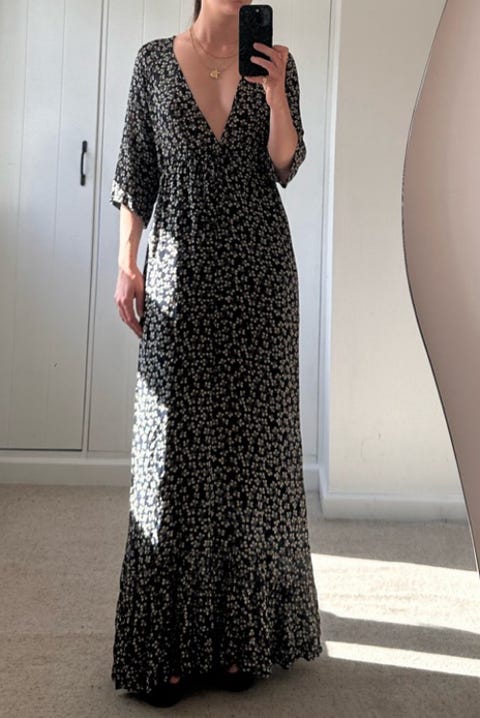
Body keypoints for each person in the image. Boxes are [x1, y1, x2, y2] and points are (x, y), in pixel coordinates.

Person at [110, 0, 322, 707]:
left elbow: (285, 164)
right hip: (177, 274)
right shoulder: (152, 63)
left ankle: (239, 639)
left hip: (260, 279)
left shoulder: (276, 61)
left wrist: (275, 92)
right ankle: (166, 646)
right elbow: (136, 170)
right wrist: (127, 263)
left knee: (250, 455)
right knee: (169, 454)